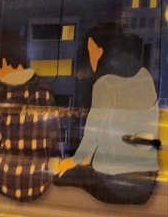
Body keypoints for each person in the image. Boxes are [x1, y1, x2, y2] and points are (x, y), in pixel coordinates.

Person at [53, 22, 159, 205]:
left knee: (56, 178)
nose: (90, 58)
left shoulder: (105, 83)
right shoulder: (145, 75)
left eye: (91, 51)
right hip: (147, 182)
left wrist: (73, 161)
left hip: (115, 182)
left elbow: (92, 139)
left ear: (102, 50)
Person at [0, 31, 60, 202]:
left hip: (6, 180)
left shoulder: (1, 94)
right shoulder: (45, 91)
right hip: (38, 182)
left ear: (4, 62)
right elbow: (53, 138)